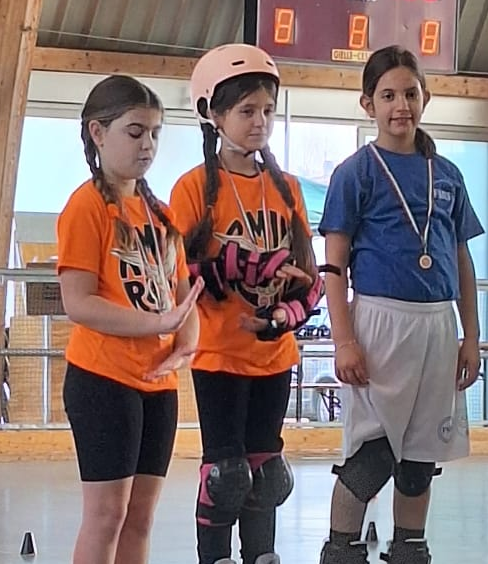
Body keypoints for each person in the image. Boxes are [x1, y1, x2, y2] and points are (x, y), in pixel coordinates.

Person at [316, 45, 484, 564]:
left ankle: (409, 549)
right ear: (368, 104)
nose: (401, 106)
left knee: (418, 461)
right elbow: (333, 268)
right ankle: (341, 552)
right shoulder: (356, 173)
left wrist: (471, 337)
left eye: (410, 94)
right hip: (379, 324)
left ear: (425, 97)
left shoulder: (447, 174)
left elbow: (461, 260)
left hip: (438, 326)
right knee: (371, 456)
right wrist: (344, 340)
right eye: (388, 95)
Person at [169, 43, 322, 564]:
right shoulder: (193, 188)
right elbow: (178, 274)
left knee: (266, 472)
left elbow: (308, 277)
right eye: (246, 111)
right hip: (219, 353)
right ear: (214, 115)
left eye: (268, 111)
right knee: (226, 474)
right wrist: (241, 267)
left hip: (274, 355)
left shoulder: (287, 188)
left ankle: (262, 555)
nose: (260, 122)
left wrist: (285, 315)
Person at [57, 75, 203, 564]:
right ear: (98, 133)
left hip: (157, 385)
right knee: (106, 517)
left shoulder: (161, 215)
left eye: (155, 133)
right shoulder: (87, 207)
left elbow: (182, 295)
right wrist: (157, 324)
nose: (148, 145)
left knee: (140, 519)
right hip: (103, 380)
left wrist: (185, 342)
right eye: (135, 132)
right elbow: (79, 303)